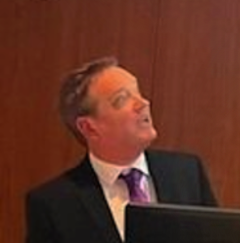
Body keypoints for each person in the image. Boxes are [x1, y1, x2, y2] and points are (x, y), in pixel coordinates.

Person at [25, 57, 217, 243]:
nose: (143, 103)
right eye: (122, 99)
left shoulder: (187, 174)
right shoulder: (54, 204)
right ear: (89, 127)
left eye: (138, 92)